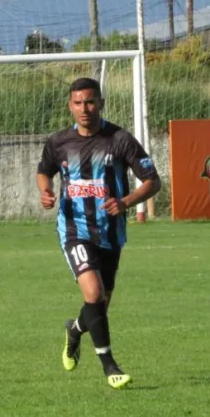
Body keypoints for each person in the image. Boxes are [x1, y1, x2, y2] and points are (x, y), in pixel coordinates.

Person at [37, 78, 161, 390]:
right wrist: (46, 190)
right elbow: (44, 170)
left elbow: (152, 180)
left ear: (101, 103)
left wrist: (126, 202)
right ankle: (110, 367)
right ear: (70, 106)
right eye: (78, 103)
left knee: (100, 304)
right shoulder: (58, 142)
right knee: (93, 294)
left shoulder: (119, 139)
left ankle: (75, 330)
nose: (84, 109)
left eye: (90, 102)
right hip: (74, 228)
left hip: (110, 232)